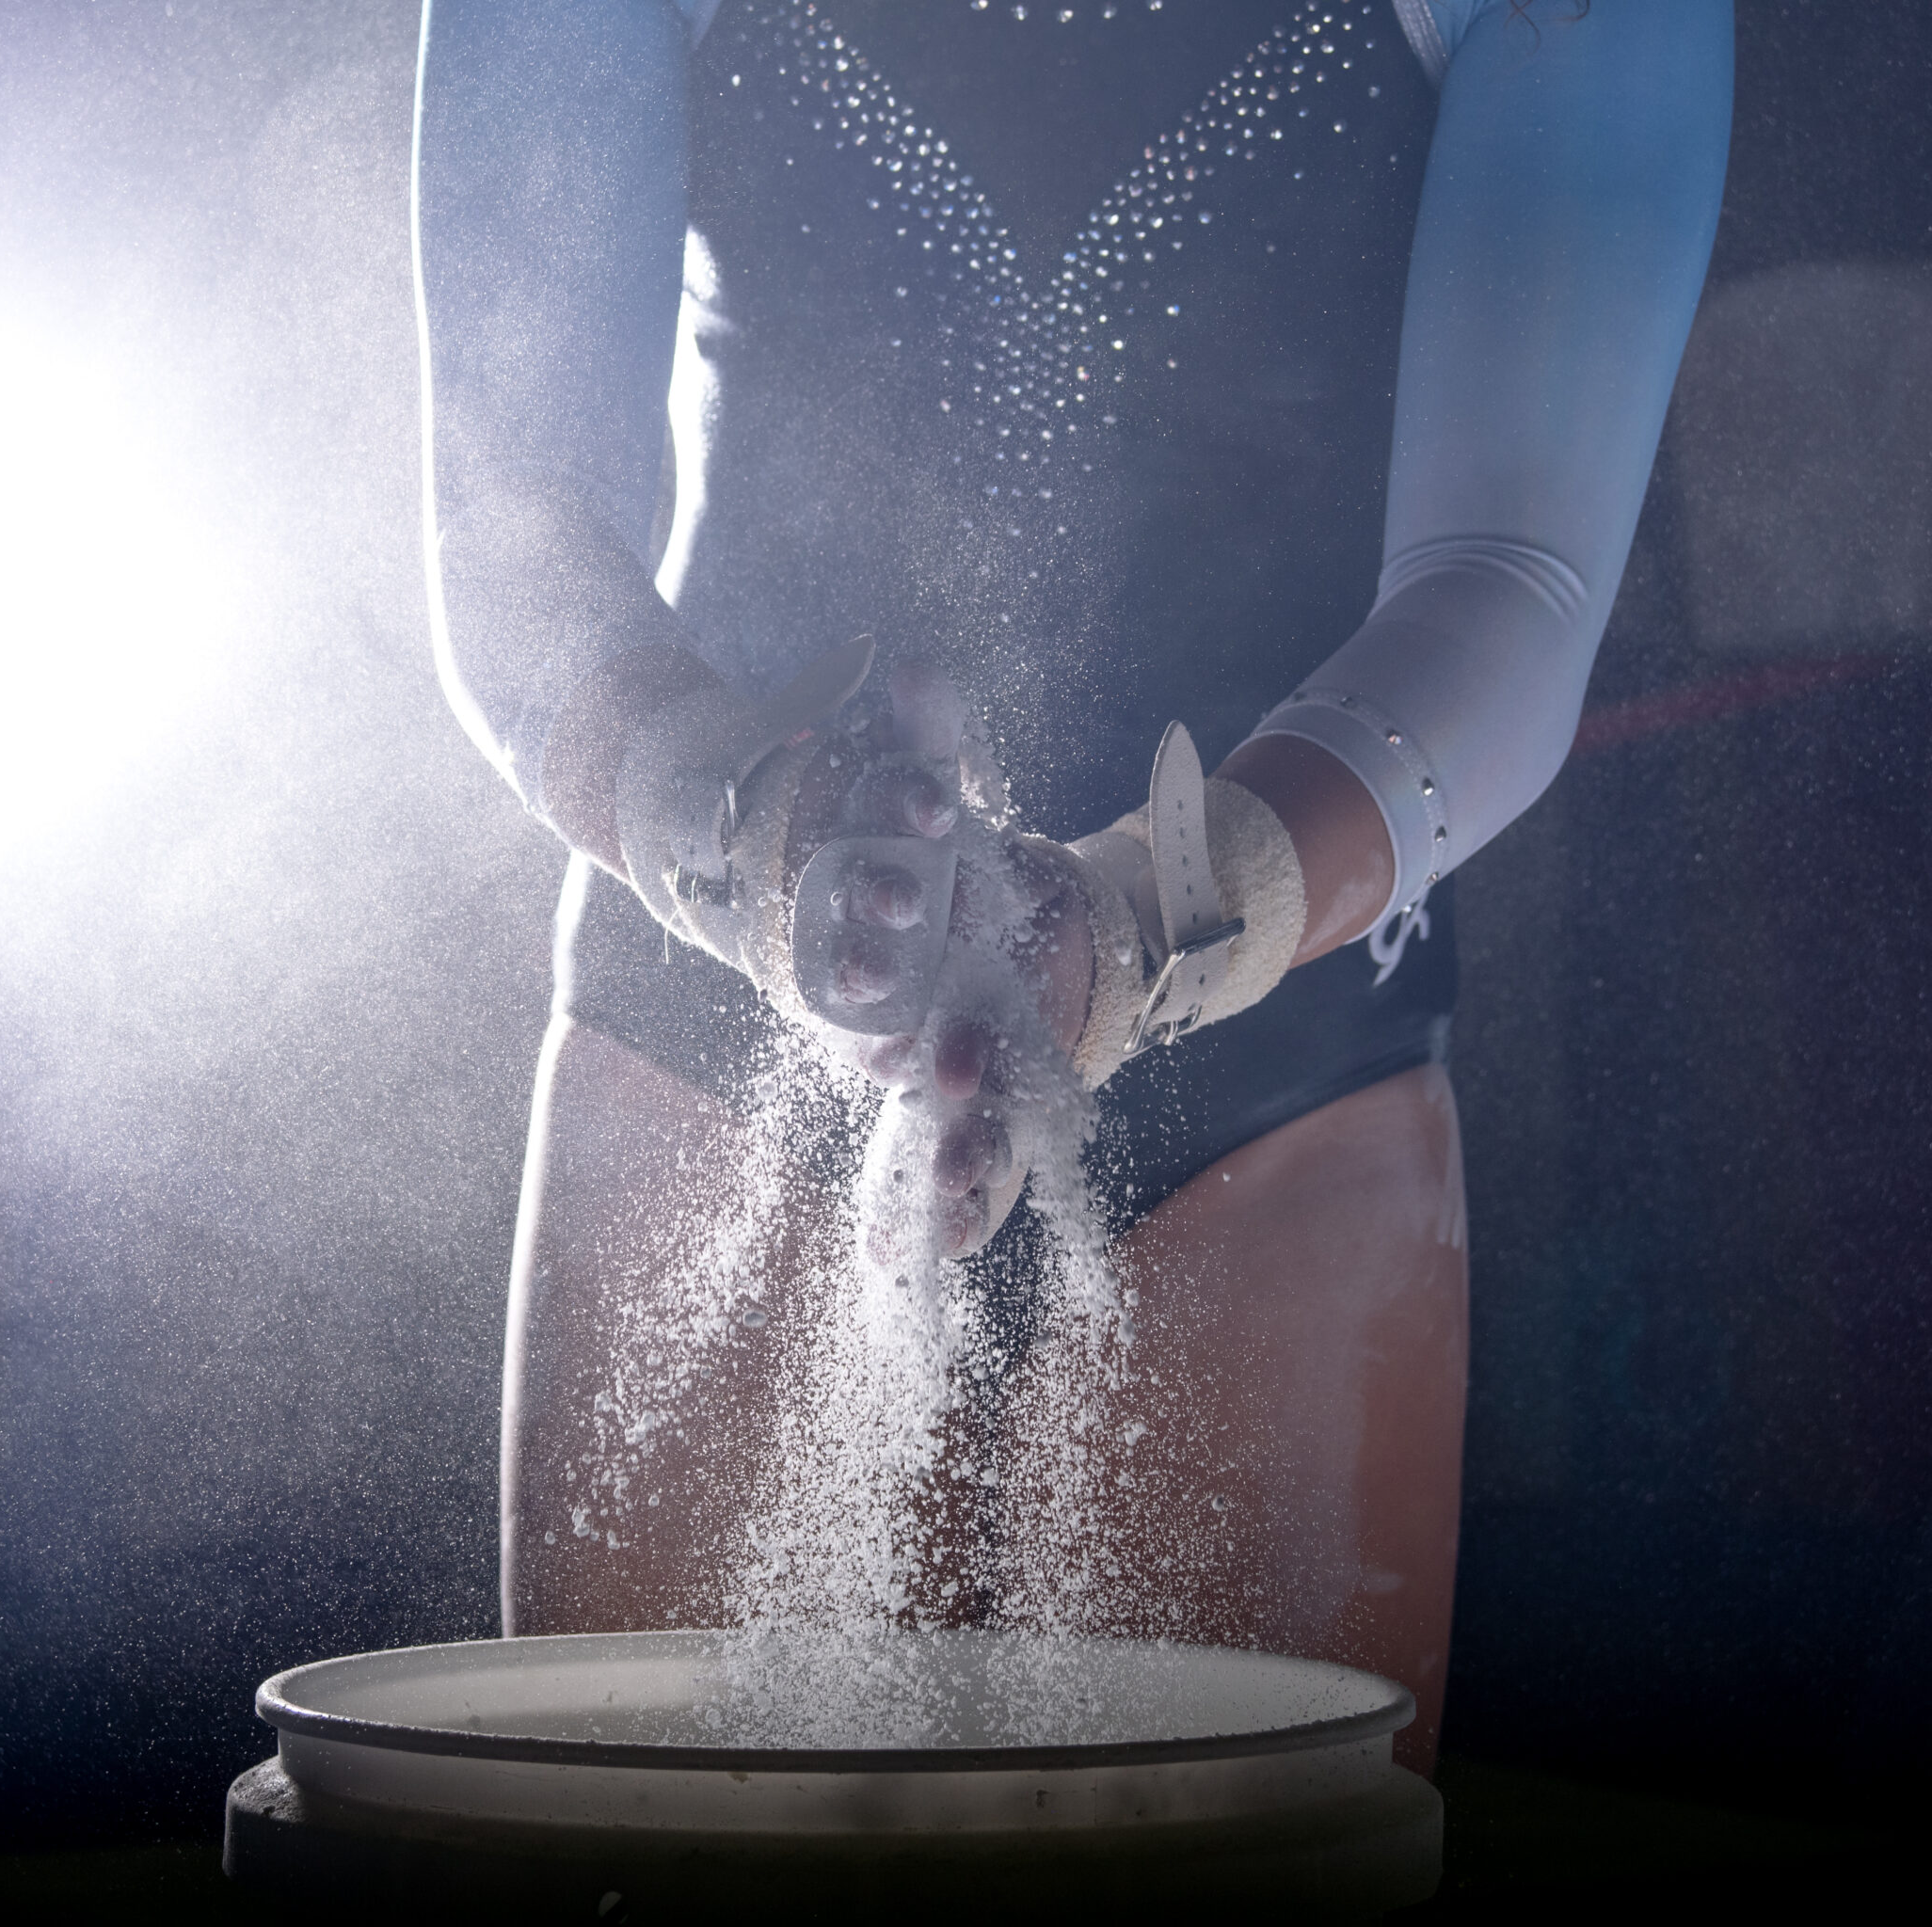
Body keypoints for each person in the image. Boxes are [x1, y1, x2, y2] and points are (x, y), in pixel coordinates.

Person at [412, 0, 1731, 1771]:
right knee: (645, 1896)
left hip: (1270, 1040)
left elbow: (1512, 577)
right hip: (734, 1008)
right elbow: (513, 527)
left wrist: (1132, 927)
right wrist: (765, 851)